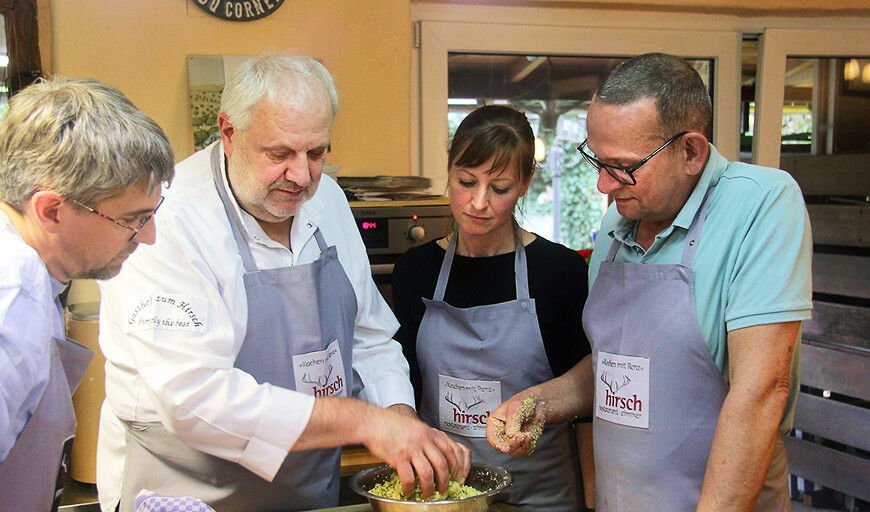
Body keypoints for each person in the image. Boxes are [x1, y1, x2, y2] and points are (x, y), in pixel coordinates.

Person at [96, 52, 470, 512]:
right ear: (228, 133)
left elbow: (368, 335)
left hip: (308, 487)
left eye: (317, 153)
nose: (302, 175)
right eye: (280, 154)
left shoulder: (327, 199)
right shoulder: (169, 217)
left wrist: (396, 415)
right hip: (187, 490)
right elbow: (193, 400)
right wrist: (364, 421)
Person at [487, 52, 812, 512]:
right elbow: (615, 369)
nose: (603, 184)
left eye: (621, 166)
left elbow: (761, 391)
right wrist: (540, 402)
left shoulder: (761, 205)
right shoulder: (618, 227)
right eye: (595, 159)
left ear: (691, 152)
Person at [392, 105, 590, 512]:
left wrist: (593, 500)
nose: (478, 203)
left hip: (541, 496)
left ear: (526, 183)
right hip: (444, 494)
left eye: (499, 188)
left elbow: (587, 392)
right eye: (466, 182)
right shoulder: (415, 270)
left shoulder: (560, 272)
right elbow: (403, 384)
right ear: (448, 169)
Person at [0, 77, 175, 512]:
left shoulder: (35, 275)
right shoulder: (10, 304)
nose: (148, 237)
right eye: (131, 219)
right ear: (51, 210)